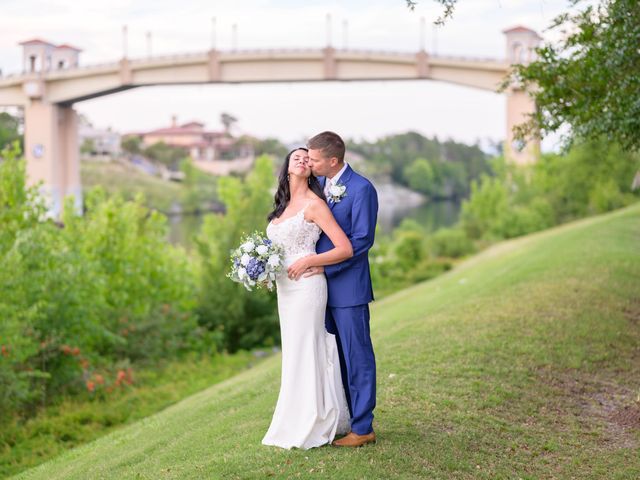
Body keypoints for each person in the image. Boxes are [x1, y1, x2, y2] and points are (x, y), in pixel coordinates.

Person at [261, 147, 352, 449]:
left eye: (306, 157)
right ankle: (292, 418)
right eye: (296, 155)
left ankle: (314, 419)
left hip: (308, 287)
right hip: (286, 290)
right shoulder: (281, 208)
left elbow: (343, 248)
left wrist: (310, 261)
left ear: (312, 168)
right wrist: (264, 273)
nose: (301, 159)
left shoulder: (315, 205)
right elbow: (279, 252)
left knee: (308, 348)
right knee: (293, 352)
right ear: (287, 165)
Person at [303, 131, 379, 448]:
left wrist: (326, 266)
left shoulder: (362, 189)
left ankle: (363, 428)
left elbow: (361, 241)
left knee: (356, 357)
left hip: (349, 289)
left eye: (315, 159)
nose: (310, 162)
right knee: (336, 359)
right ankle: (346, 419)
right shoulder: (320, 187)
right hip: (321, 291)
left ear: (332, 160)